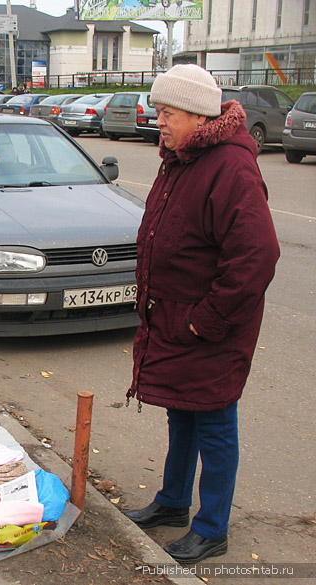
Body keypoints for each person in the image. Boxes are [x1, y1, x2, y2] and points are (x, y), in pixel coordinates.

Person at [124, 65, 279, 564]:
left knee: (213, 421)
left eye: (166, 113)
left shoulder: (230, 167)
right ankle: (172, 503)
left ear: (196, 113)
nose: (159, 121)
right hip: (174, 317)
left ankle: (211, 527)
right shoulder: (184, 157)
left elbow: (257, 256)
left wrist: (205, 320)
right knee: (181, 412)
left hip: (211, 327)